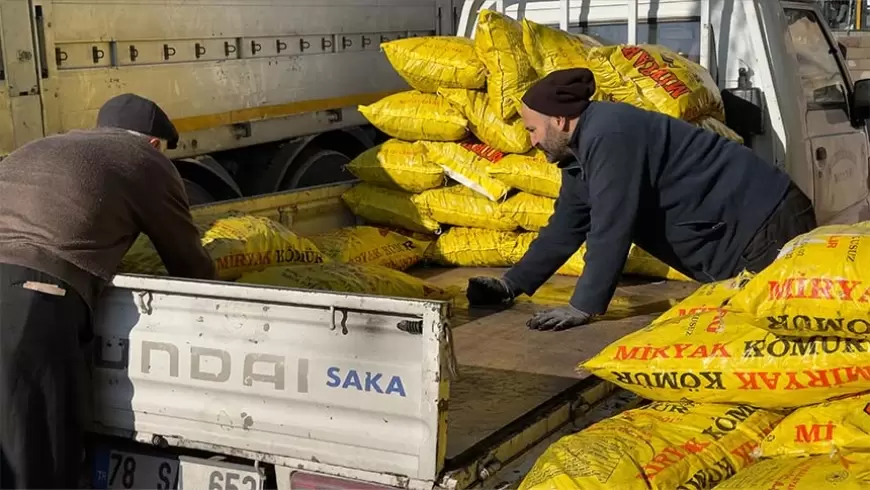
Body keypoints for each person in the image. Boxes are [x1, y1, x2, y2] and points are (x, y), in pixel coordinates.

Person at [466, 68, 816, 331]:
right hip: (740, 232)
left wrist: (583, 306)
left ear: (560, 120)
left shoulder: (610, 134)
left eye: (532, 129)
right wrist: (511, 284)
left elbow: (611, 223)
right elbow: (567, 226)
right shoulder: (579, 153)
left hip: (768, 223)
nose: (531, 140)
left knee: (781, 331)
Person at [0, 93, 216, 489]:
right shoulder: (146, 160)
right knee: (37, 452)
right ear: (154, 143)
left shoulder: (44, 145)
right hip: (32, 297)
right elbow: (187, 260)